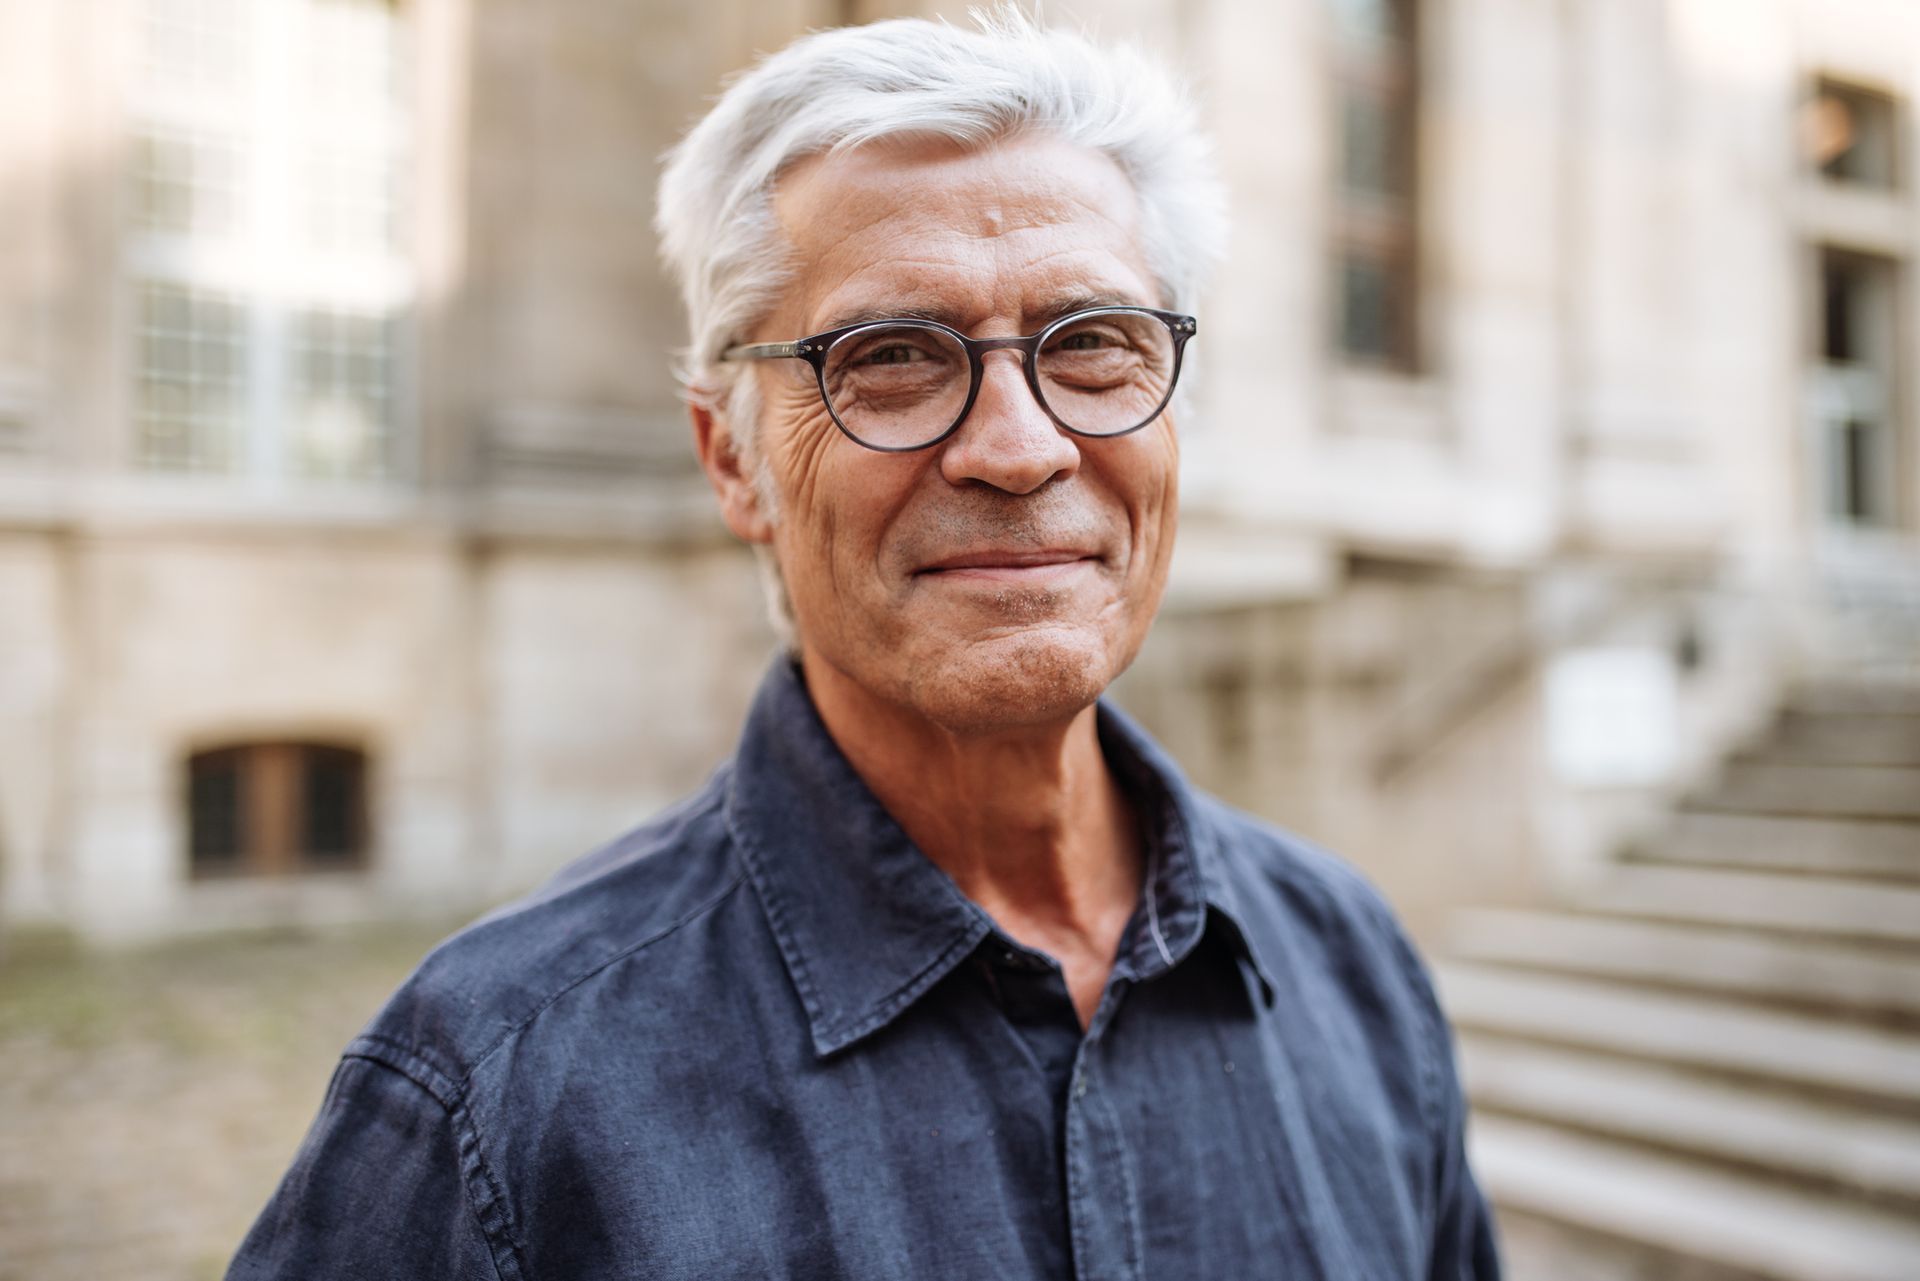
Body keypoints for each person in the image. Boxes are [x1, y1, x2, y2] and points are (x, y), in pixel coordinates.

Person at [229, 12, 1501, 1279]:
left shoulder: (1351, 966)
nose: (1020, 448)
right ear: (733, 459)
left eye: (1095, 345)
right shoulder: (495, 1097)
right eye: (890, 358)